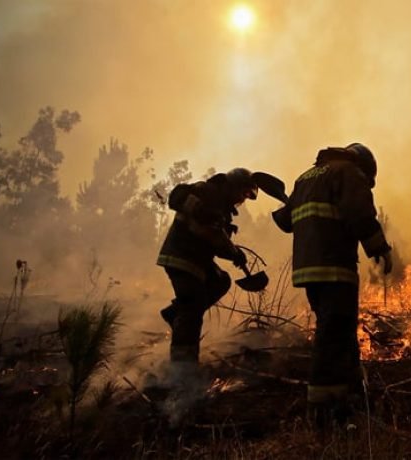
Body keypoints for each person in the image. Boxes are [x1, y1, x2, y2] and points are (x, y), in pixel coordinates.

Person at [272, 143, 393, 427]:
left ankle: (352, 394)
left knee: (339, 330)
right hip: (335, 267)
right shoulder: (348, 172)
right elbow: (359, 213)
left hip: (308, 271)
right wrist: (379, 247)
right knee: (331, 337)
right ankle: (323, 410)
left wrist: (292, 201)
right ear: (364, 167)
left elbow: (285, 221)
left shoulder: (306, 177)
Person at [156, 168, 257, 364]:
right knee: (192, 306)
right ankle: (183, 366)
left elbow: (215, 236)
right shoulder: (208, 192)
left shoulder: (220, 206)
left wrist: (234, 252)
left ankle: (175, 313)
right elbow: (177, 197)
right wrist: (200, 210)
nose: (242, 200)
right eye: (242, 193)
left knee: (220, 281)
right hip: (182, 255)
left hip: (198, 259)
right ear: (233, 186)